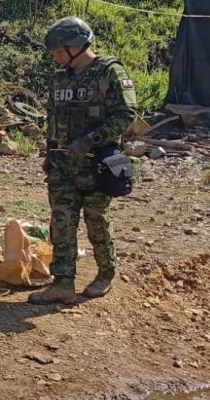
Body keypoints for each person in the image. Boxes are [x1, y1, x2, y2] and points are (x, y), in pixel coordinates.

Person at [29, 16, 137, 305]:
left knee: (96, 222)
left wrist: (91, 139)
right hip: (63, 166)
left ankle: (105, 273)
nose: (55, 57)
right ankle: (63, 282)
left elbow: (126, 115)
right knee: (61, 222)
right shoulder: (59, 79)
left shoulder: (108, 73)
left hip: (96, 165)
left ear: (76, 46)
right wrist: (49, 154)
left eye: (59, 51)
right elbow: (52, 120)